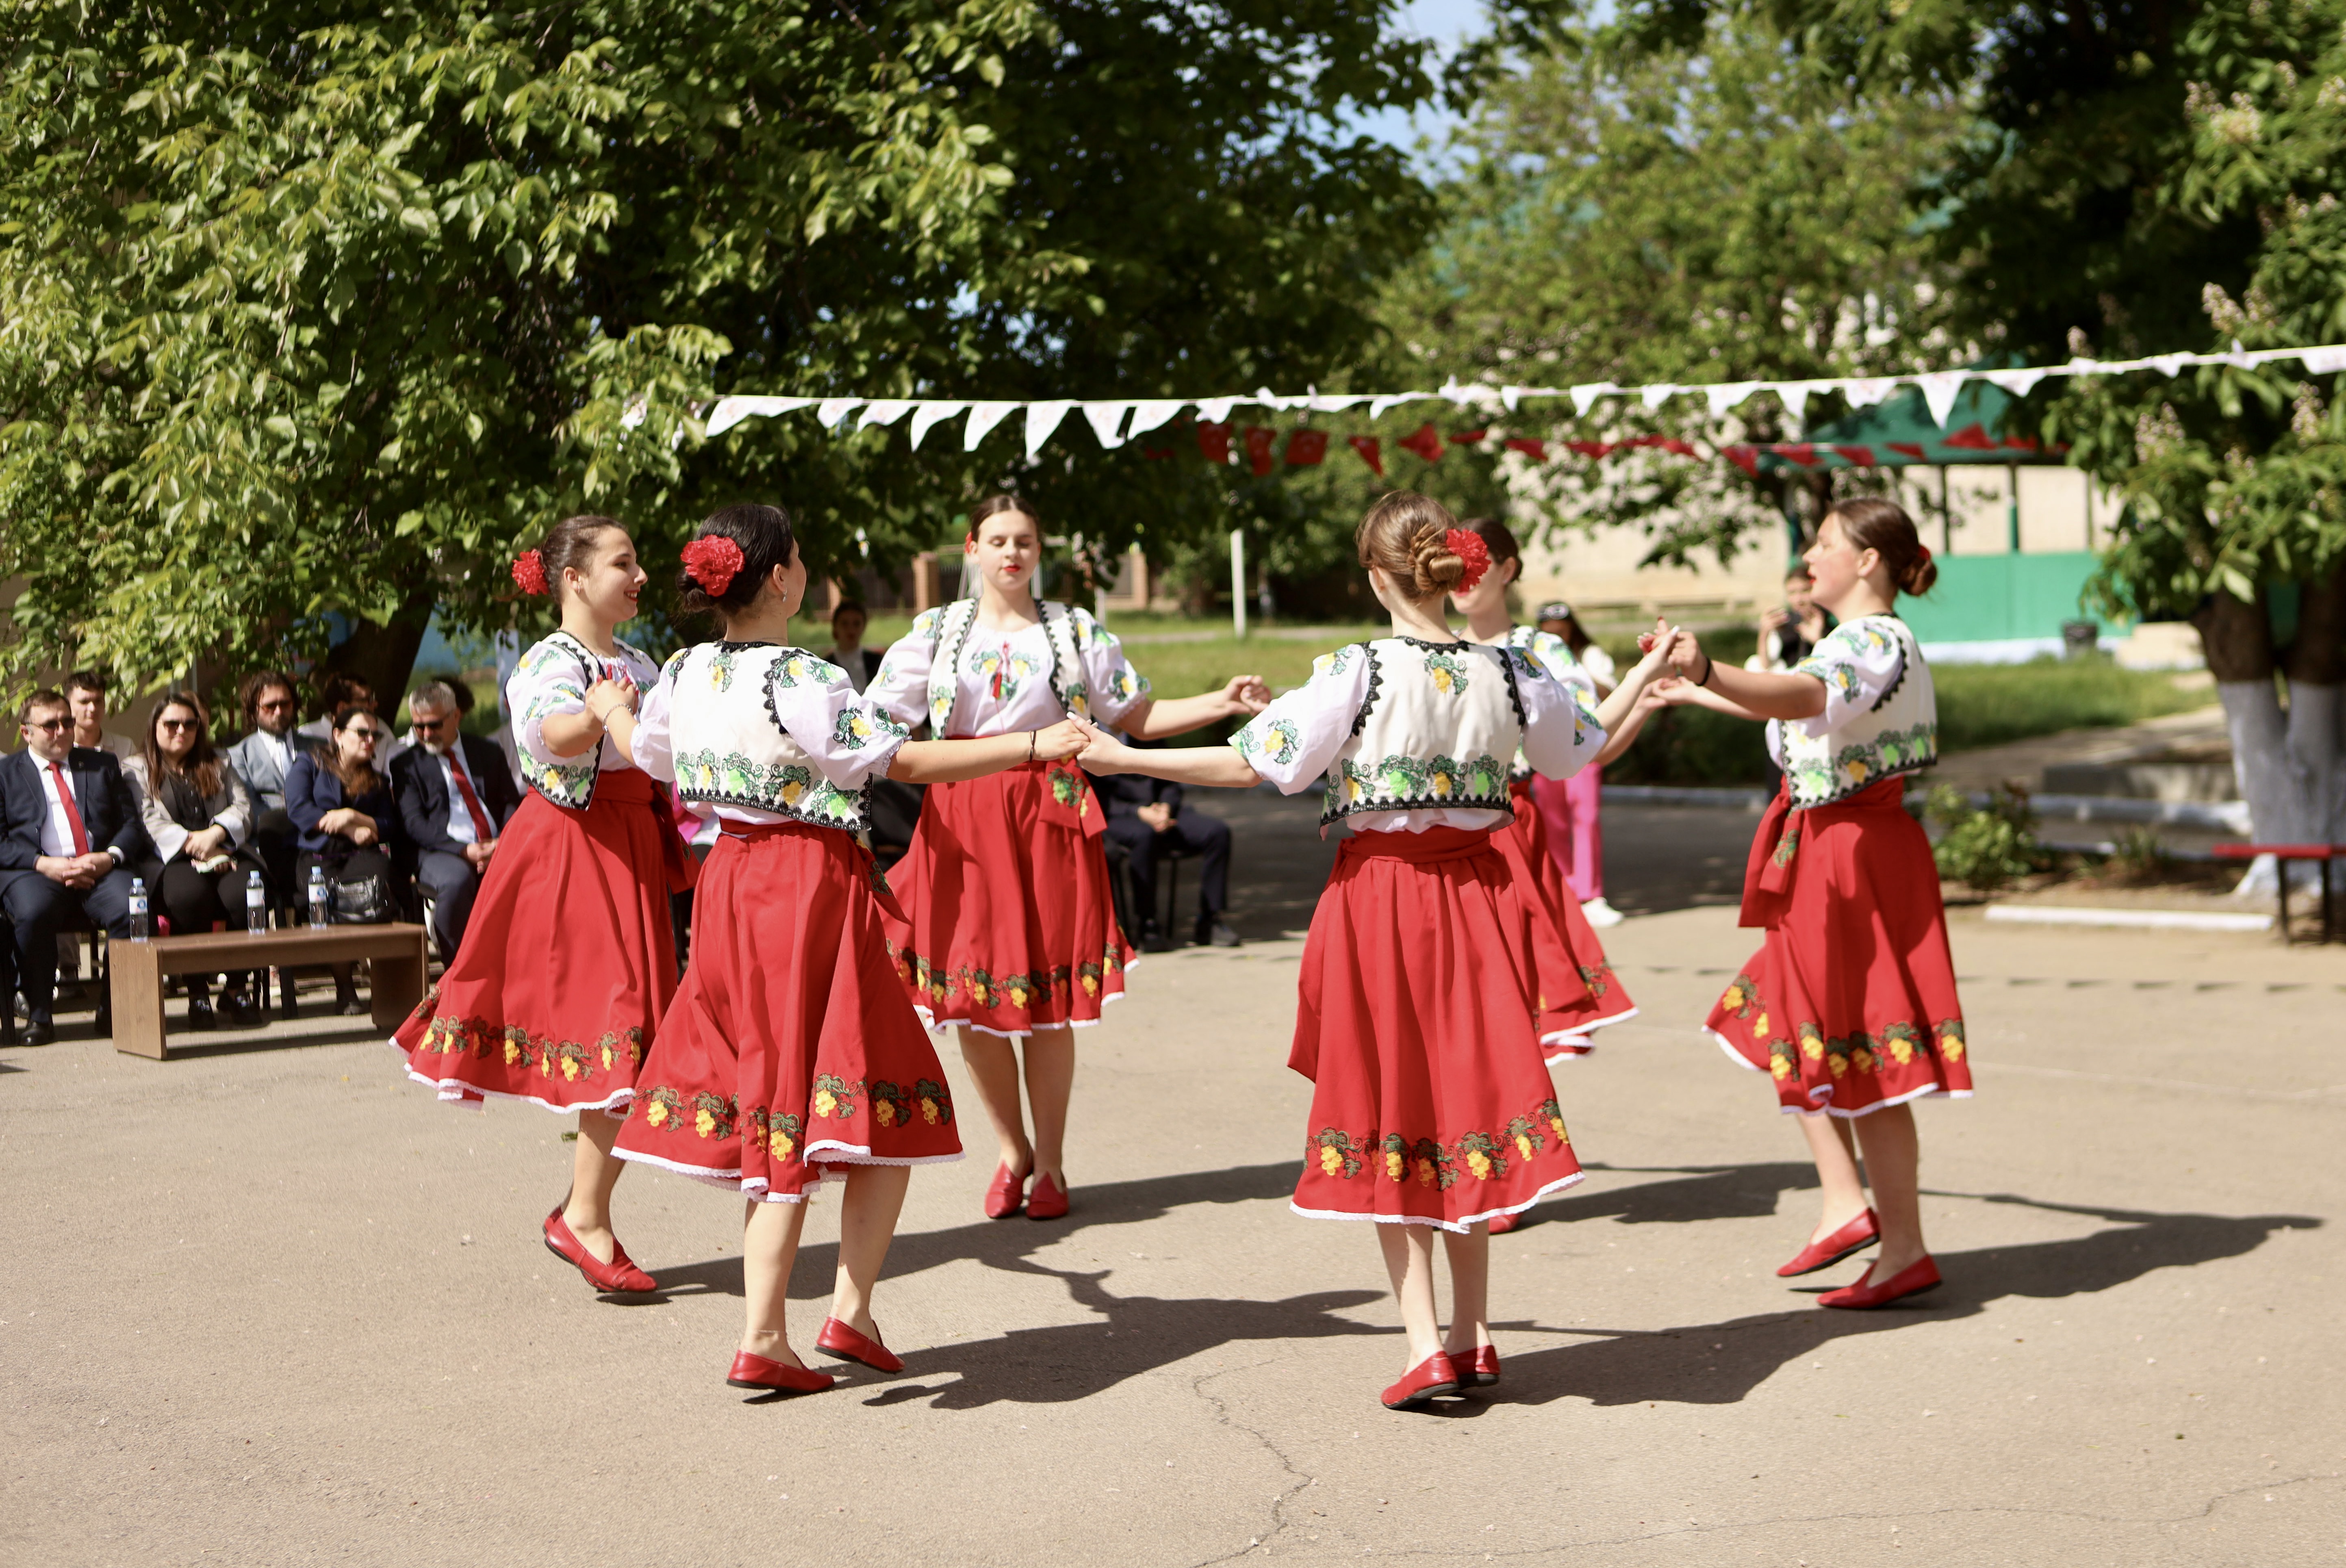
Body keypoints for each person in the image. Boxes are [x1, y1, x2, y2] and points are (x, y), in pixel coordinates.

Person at [1076, 492, 1678, 1410]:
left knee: (1395, 1106)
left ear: (1374, 575)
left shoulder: (1355, 670)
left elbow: (1251, 764)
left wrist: (1123, 759)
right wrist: (1643, 675)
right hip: (1479, 899)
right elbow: (1577, 750)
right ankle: (1473, 1334)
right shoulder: (1512, 668)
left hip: (1382, 903)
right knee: (1468, 1104)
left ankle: (1424, 1343)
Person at [609, 503, 1089, 1394]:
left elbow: (653, 756)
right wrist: (1029, 743)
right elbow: (896, 761)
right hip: (806, 889)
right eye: (798, 558)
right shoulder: (803, 676)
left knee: (828, 1087)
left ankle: (836, 1315)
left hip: (730, 884)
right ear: (780, 578)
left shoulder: (685, 669)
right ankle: (775, 1329)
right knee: (832, 1091)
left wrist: (611, 708)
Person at [866, 494, 1268, 1223]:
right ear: (971, 547)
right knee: (970, 999)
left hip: (1047, 816)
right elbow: (874, 725)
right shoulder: (936, 630)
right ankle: (1012, 1149)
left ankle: (1049, 1160)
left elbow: (1136, 715)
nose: (1011, 552)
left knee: (1046, 1001)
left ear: (1039, 548)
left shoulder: (1074, 628)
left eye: (1023, 540)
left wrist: (1221, 700)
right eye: (997, 540)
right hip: (963, 816)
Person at [1649, 497, 1968, 1310]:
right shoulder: (1853, 642)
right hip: (1835, 847)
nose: (1809, 556)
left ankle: (1889, 1236)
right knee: (1794, 1025)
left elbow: (1802, 697)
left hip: (1850, 853)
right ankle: (1854, 1210)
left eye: (1824, 542)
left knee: (1847, 1040)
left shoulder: (1870, 639)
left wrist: (1708, 672)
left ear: (1867, 560)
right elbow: (1800, 703)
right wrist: (1695, 691)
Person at [393, 515, 687, 1298]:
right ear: (574, 579)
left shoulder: (639, 661)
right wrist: (593, 715)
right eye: (623, 562)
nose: (640, 576)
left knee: (641, 1035)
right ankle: (583, 1216)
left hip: (629, 842)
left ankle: (582, 1212)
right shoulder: (550, 661)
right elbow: (551, 732)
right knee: (624, 1025)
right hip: (577, 849)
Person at [1454, 531, 1641, 1090]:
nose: (1462, 576)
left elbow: (1586, 742)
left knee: (1509, 996)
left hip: (1507, 828)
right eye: (1450, 563)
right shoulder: (1430, 645)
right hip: (1438, 833)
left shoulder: (1539, 648)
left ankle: (1509, 1122)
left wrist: (1641, 687)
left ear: (1508, 568)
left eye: (1477, 562)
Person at [0, 690, 149, 1045]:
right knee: (33, 913)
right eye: (50, 725)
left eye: (67, 722)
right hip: (35, 870)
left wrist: (108, 857)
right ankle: (39, 1015)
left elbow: (131, 825)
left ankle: (114, 1009)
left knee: (132, 908)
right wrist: (43, 863)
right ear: (26, 732)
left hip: (99, 868)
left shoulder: (101, 765)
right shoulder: (6, 773)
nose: (62, 731)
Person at [124, 690, 265, 1028]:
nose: (181, 730)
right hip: (169, 859)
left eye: (190, 724)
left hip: (225, 849)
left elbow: (244, 807)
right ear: (155, 727)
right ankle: (197, 992)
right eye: (172, 724)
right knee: (188, 896)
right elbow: (147, 821)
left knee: (246, 894)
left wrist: (215, 835)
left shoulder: (219, 761)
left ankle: (236, 989)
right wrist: (197, 845)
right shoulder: (135, 768)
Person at [392, 679, 523, 960]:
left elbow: (511, 803)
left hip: (494, 844)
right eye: (419, 727)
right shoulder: (406, 765)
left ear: (456, 716)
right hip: (438, 850)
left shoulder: (487, 751)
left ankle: (524, 965)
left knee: (537, 868)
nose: (427, 734)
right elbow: (414, 824)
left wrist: (502, 843)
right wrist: (464, 850)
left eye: (434, 725)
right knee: (457, 880)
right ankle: (458, 968)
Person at [286, 705, 404, 1016]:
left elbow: (389, 824)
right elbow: (298, 808)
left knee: (377, 886)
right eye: (362, 732)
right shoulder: (309, 763)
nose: (370, 740)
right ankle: (345, 986)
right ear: (338, 735)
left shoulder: (377, 779)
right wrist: (351, 830)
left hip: (360, 856)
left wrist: (353, 816)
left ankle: (386, 985)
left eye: (375, 735)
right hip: (319, 854)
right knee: (329, 897)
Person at [1528, 601, 1622, 927]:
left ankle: (1590, 894)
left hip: (1583, 745)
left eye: (1562, 629)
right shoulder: (1531, 654)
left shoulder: (1590, 655)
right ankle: (1565, 891)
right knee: (1552, 819)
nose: (1556, 634)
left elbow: (1610, 693)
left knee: (1586, 817)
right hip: (1546, 744)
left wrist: (1578, 674)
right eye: (1549, 629)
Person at [1095, 754, 1237, 950]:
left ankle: (1210, 919)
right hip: (1119, 815)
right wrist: (1138, 811)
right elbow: (1097, 794)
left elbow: (1171, 780)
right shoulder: (1094, 741)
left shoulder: (1145, 737)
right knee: (1144, 837)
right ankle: (1147, 923)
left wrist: (1166, 808)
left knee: (1217, 833)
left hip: (1162, 811)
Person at [1748, 566, 1829, 673]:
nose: (1799, 600)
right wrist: (1764, 633)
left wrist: (1816, 640)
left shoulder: (1829, 622)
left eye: (1805, 591)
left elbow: (1834, 664)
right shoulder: (1785, 624)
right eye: (1792, 593)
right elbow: (1765, 666)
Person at [63, 671, 136, 760]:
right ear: (67, 705)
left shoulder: (126, 748)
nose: (93, 708)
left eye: (98, 701)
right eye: (84, 702)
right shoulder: (59, 749)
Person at [822, 600, 883, 693]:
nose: (851, 630)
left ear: (864, 626)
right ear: (835, 627)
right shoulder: (825, 666)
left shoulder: (877, 662)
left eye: (856, 624)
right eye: (845, 624)